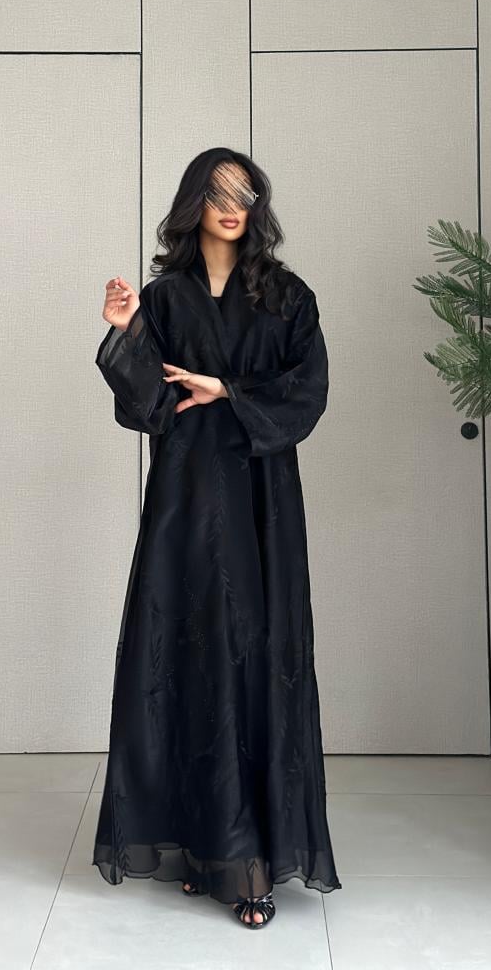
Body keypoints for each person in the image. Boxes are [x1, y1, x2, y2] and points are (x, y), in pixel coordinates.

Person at [92, 148, 342, 929]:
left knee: (254, 653)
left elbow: (307, 392)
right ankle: (205, 848)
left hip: (261, 499)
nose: (233, 206)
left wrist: (227, 390)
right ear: (193, 202)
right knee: (188, 650)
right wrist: (128, 332)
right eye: (218, 192)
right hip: (186, 496)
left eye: (245, 193)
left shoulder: (286, 295)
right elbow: (146, 407)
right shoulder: (165, 298)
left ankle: (249, 859)